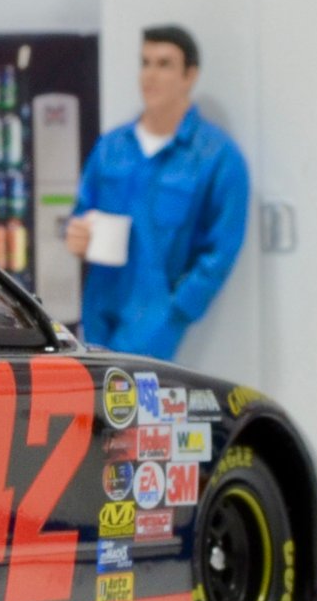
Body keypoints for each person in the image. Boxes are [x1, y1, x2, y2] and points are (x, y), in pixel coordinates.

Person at [65, 25, 248, 360]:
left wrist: (177, 310)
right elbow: (81, 210)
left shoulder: (216, 157)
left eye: (164, 64)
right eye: (145, 63)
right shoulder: (112, 147)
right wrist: (75, 235)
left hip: (156, 320)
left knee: (143, 394)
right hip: (98, 311)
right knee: (99, 393)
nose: (150, 75)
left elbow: (222, 247)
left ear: (189, 75)